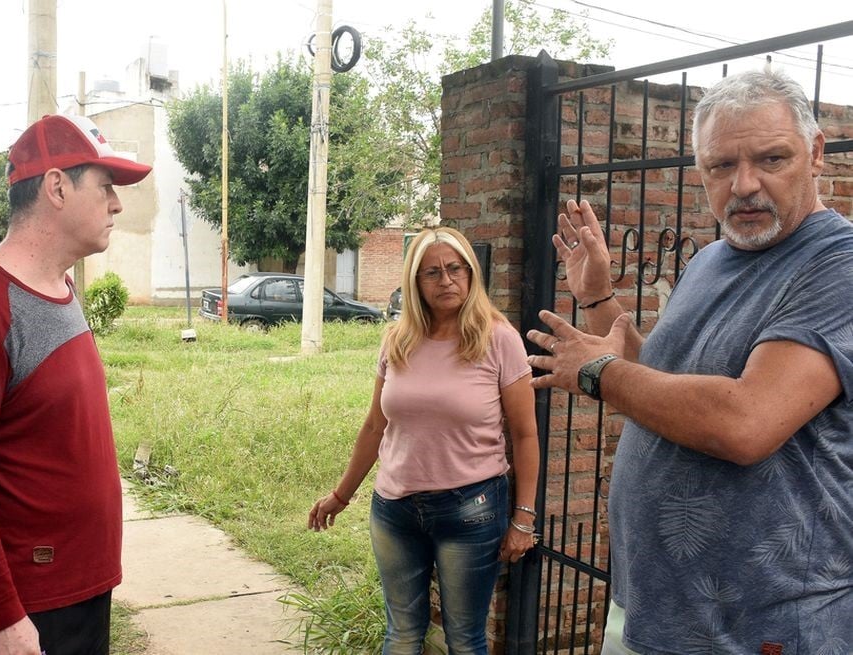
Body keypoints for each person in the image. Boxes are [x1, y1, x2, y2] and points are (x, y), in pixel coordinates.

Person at [527, 69, 853, 654]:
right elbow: (665, 383)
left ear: (816, 153)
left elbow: (745, 422)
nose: (744, 185)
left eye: (771, 159)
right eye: (720, 166)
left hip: (761, 625)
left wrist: (599, 373)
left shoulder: (838, 267)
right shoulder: (710, 260)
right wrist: (599, 300)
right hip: (653, 606)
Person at [0, 114, 152, 655]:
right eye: (105, 186)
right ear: (56, 187)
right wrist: (0, 617)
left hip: (80, 591)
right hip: (26, 610)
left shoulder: (61, 286)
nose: (117, 204)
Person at [308, 227, 539, 655]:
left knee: (464, 639)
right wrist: (341, 495)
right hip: (394, 509)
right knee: (401, 634)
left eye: (455, 269)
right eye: (432, 272)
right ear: (415, 281)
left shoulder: (498, 339)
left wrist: (523, 518)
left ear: (471, 274)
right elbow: (375, 426)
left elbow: (525, 435)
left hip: (471, 509)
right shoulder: (398, 339)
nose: (446, 280)